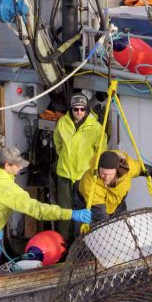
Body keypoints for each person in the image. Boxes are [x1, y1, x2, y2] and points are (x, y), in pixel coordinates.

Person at [0, 146, 91, 280]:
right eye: (17, 165)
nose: (21, 167)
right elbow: (38, 210)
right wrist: (71, 214)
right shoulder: (7, 189)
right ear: (6, 165)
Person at [74, 149, 152, 225]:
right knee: (93, 233)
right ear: (98, 169)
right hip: (89, 206)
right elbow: (101, 216)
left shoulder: (127, 167)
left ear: (117, 169)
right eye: (103, 173)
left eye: (110, 174)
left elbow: (142, 169)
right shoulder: (90, 184)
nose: (106, 178)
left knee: (122, 226)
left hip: (118, 204)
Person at [53, 93, 106, 242]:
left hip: (84, 177)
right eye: (76, 109)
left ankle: (82, 244)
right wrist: (63, 157)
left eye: (82, 109)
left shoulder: (96, 127)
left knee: (84, 213)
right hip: (64, 175)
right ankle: (64, 245)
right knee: (64, 211)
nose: (79, 112)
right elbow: (57, 142)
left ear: (87, 109)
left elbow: (101, 150)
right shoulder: (62, 123)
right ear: (71, 109)